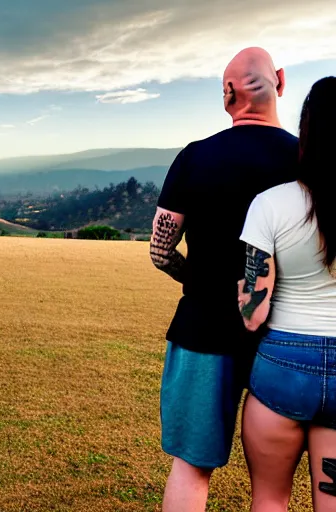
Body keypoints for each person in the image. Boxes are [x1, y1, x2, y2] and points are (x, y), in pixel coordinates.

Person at [150, 47, 299, 512]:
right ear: (280, 80)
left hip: (202, 329)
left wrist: (195, 279)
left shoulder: (196, 157)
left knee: (191, 469)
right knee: (273, 488)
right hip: (285, 339)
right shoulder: (306, 159)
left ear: (227, 95)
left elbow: (159, 251)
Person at [238, 76, 336, 512]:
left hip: (283, 368)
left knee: (270, 500)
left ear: (306, 131)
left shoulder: (270, 204)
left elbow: (251, 314)